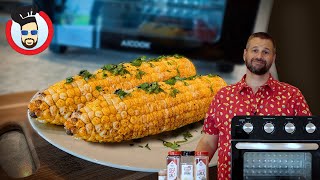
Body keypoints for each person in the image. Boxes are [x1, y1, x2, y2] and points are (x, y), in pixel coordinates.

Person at [195, 32, 312, 180]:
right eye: (255, 50)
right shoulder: (223, 96)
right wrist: (193, 171)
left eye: (266, 52)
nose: (259, 56)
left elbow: (308, 143)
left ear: (273, 58)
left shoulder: (292, 96)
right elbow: (208, 142)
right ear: (245, 54)